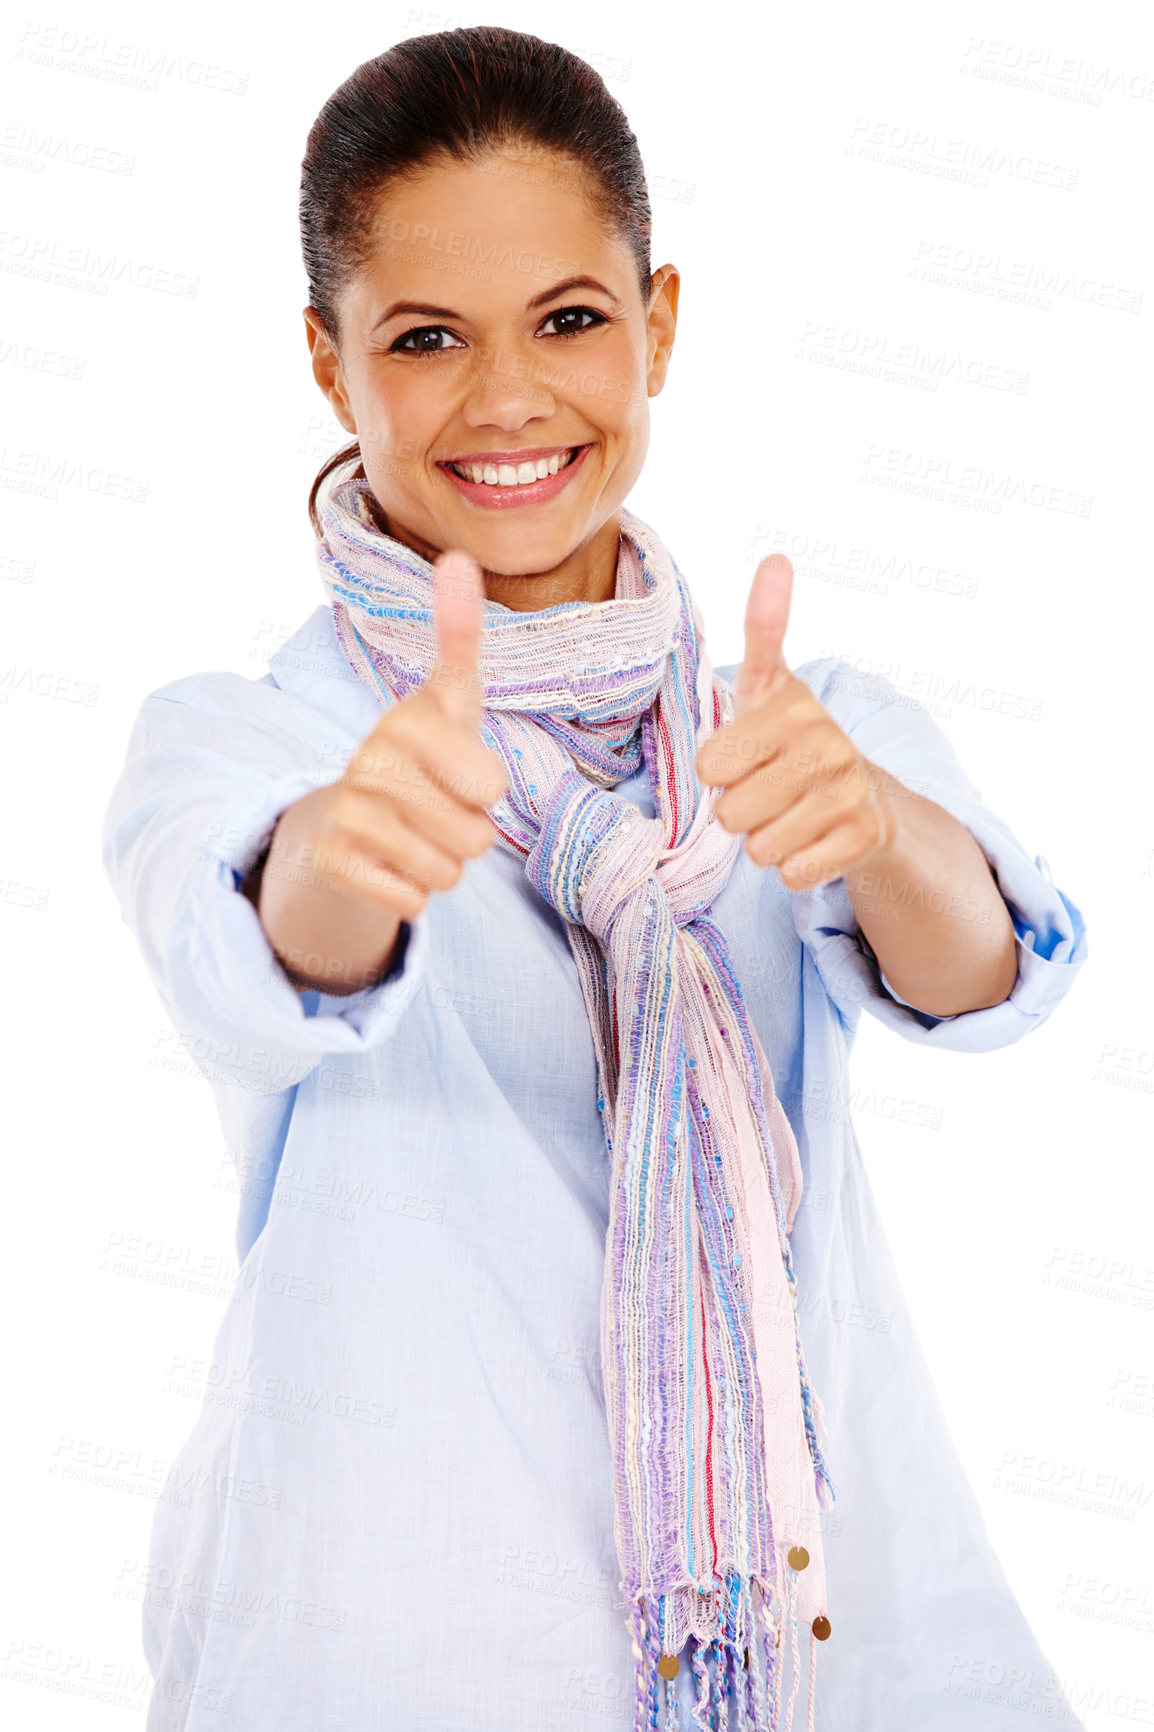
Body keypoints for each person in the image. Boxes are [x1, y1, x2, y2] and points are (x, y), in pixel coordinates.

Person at [101, 26, 1089, 1732]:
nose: (506, 399)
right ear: (329, 366)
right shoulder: (248, 740)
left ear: (661, 327)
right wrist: (357, 848)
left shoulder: (788, 726)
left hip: (825, 1632)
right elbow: (258, 944)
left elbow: (981, 975)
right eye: (423, 338)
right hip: (396, 1640)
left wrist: (871, 829)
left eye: (569, 318)